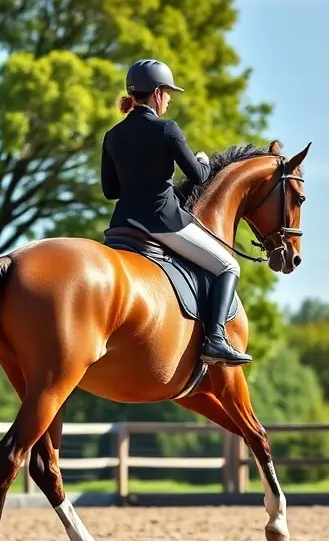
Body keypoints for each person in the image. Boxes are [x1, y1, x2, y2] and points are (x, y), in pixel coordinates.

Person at [100, 59, 252, 367]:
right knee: (228, 266)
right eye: (168, 93)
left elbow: (110, 191)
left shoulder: (113, 135)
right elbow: (197, 176)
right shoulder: (167, 129)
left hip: (121, 226)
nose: (169, 99)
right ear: (157, 94)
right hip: (162, 222)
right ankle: (216, 339)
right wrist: (203, 159)